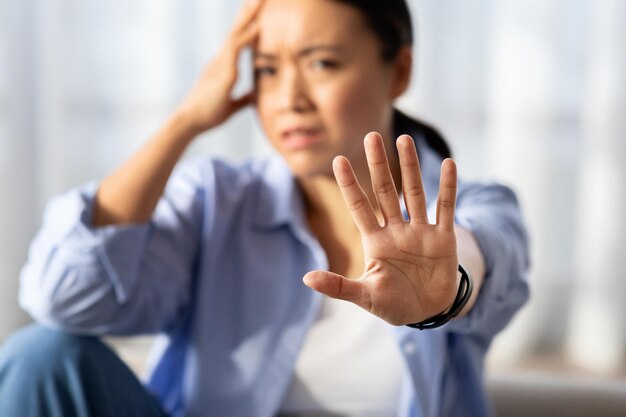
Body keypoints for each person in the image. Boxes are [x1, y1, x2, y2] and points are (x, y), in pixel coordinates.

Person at [0, 0, 529, 416]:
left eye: (321, 63)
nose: (288, 98)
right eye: (268, 70)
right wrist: (185, 122)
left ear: (398, 71)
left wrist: (444, 293)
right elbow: (59, 298)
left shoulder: (470, 205)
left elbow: (483, 255)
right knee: (41, 356)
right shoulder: (216, 202)